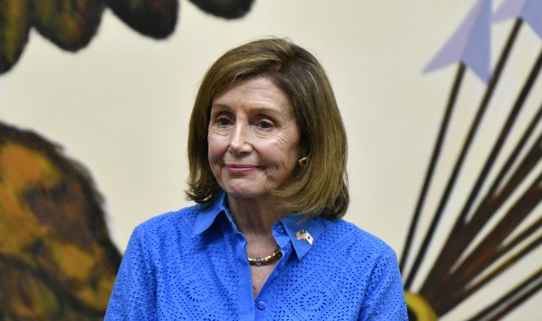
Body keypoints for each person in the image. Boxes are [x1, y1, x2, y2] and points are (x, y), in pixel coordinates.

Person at [104, 37, 408, 320]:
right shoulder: (156, 246)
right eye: (223, 120)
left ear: (308, 141)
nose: (236, 143)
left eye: (263, 124)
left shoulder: (368, 265)